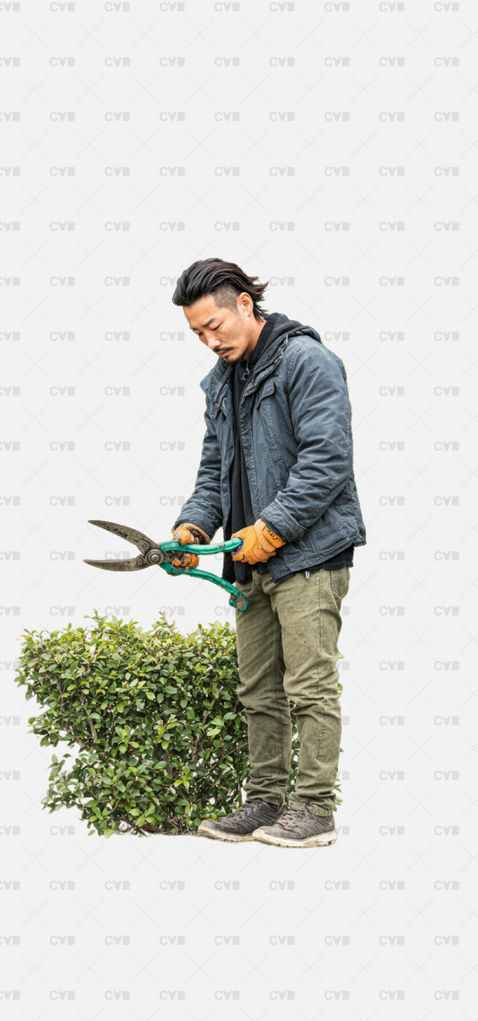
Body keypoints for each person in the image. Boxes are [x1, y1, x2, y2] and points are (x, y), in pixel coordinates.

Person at [169, 259, 365, 848]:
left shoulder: (308, 361)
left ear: (245, 305)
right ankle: (263, 802)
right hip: (247, 563)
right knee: (258, 690)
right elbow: (214, 471)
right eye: (197, 333)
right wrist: (193, 526)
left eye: (215, 325)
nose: (210, 340)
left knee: (309, 686)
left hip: (309, 553)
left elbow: (327, 459)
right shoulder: (218, 383)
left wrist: (273, 529)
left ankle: (314, 811)